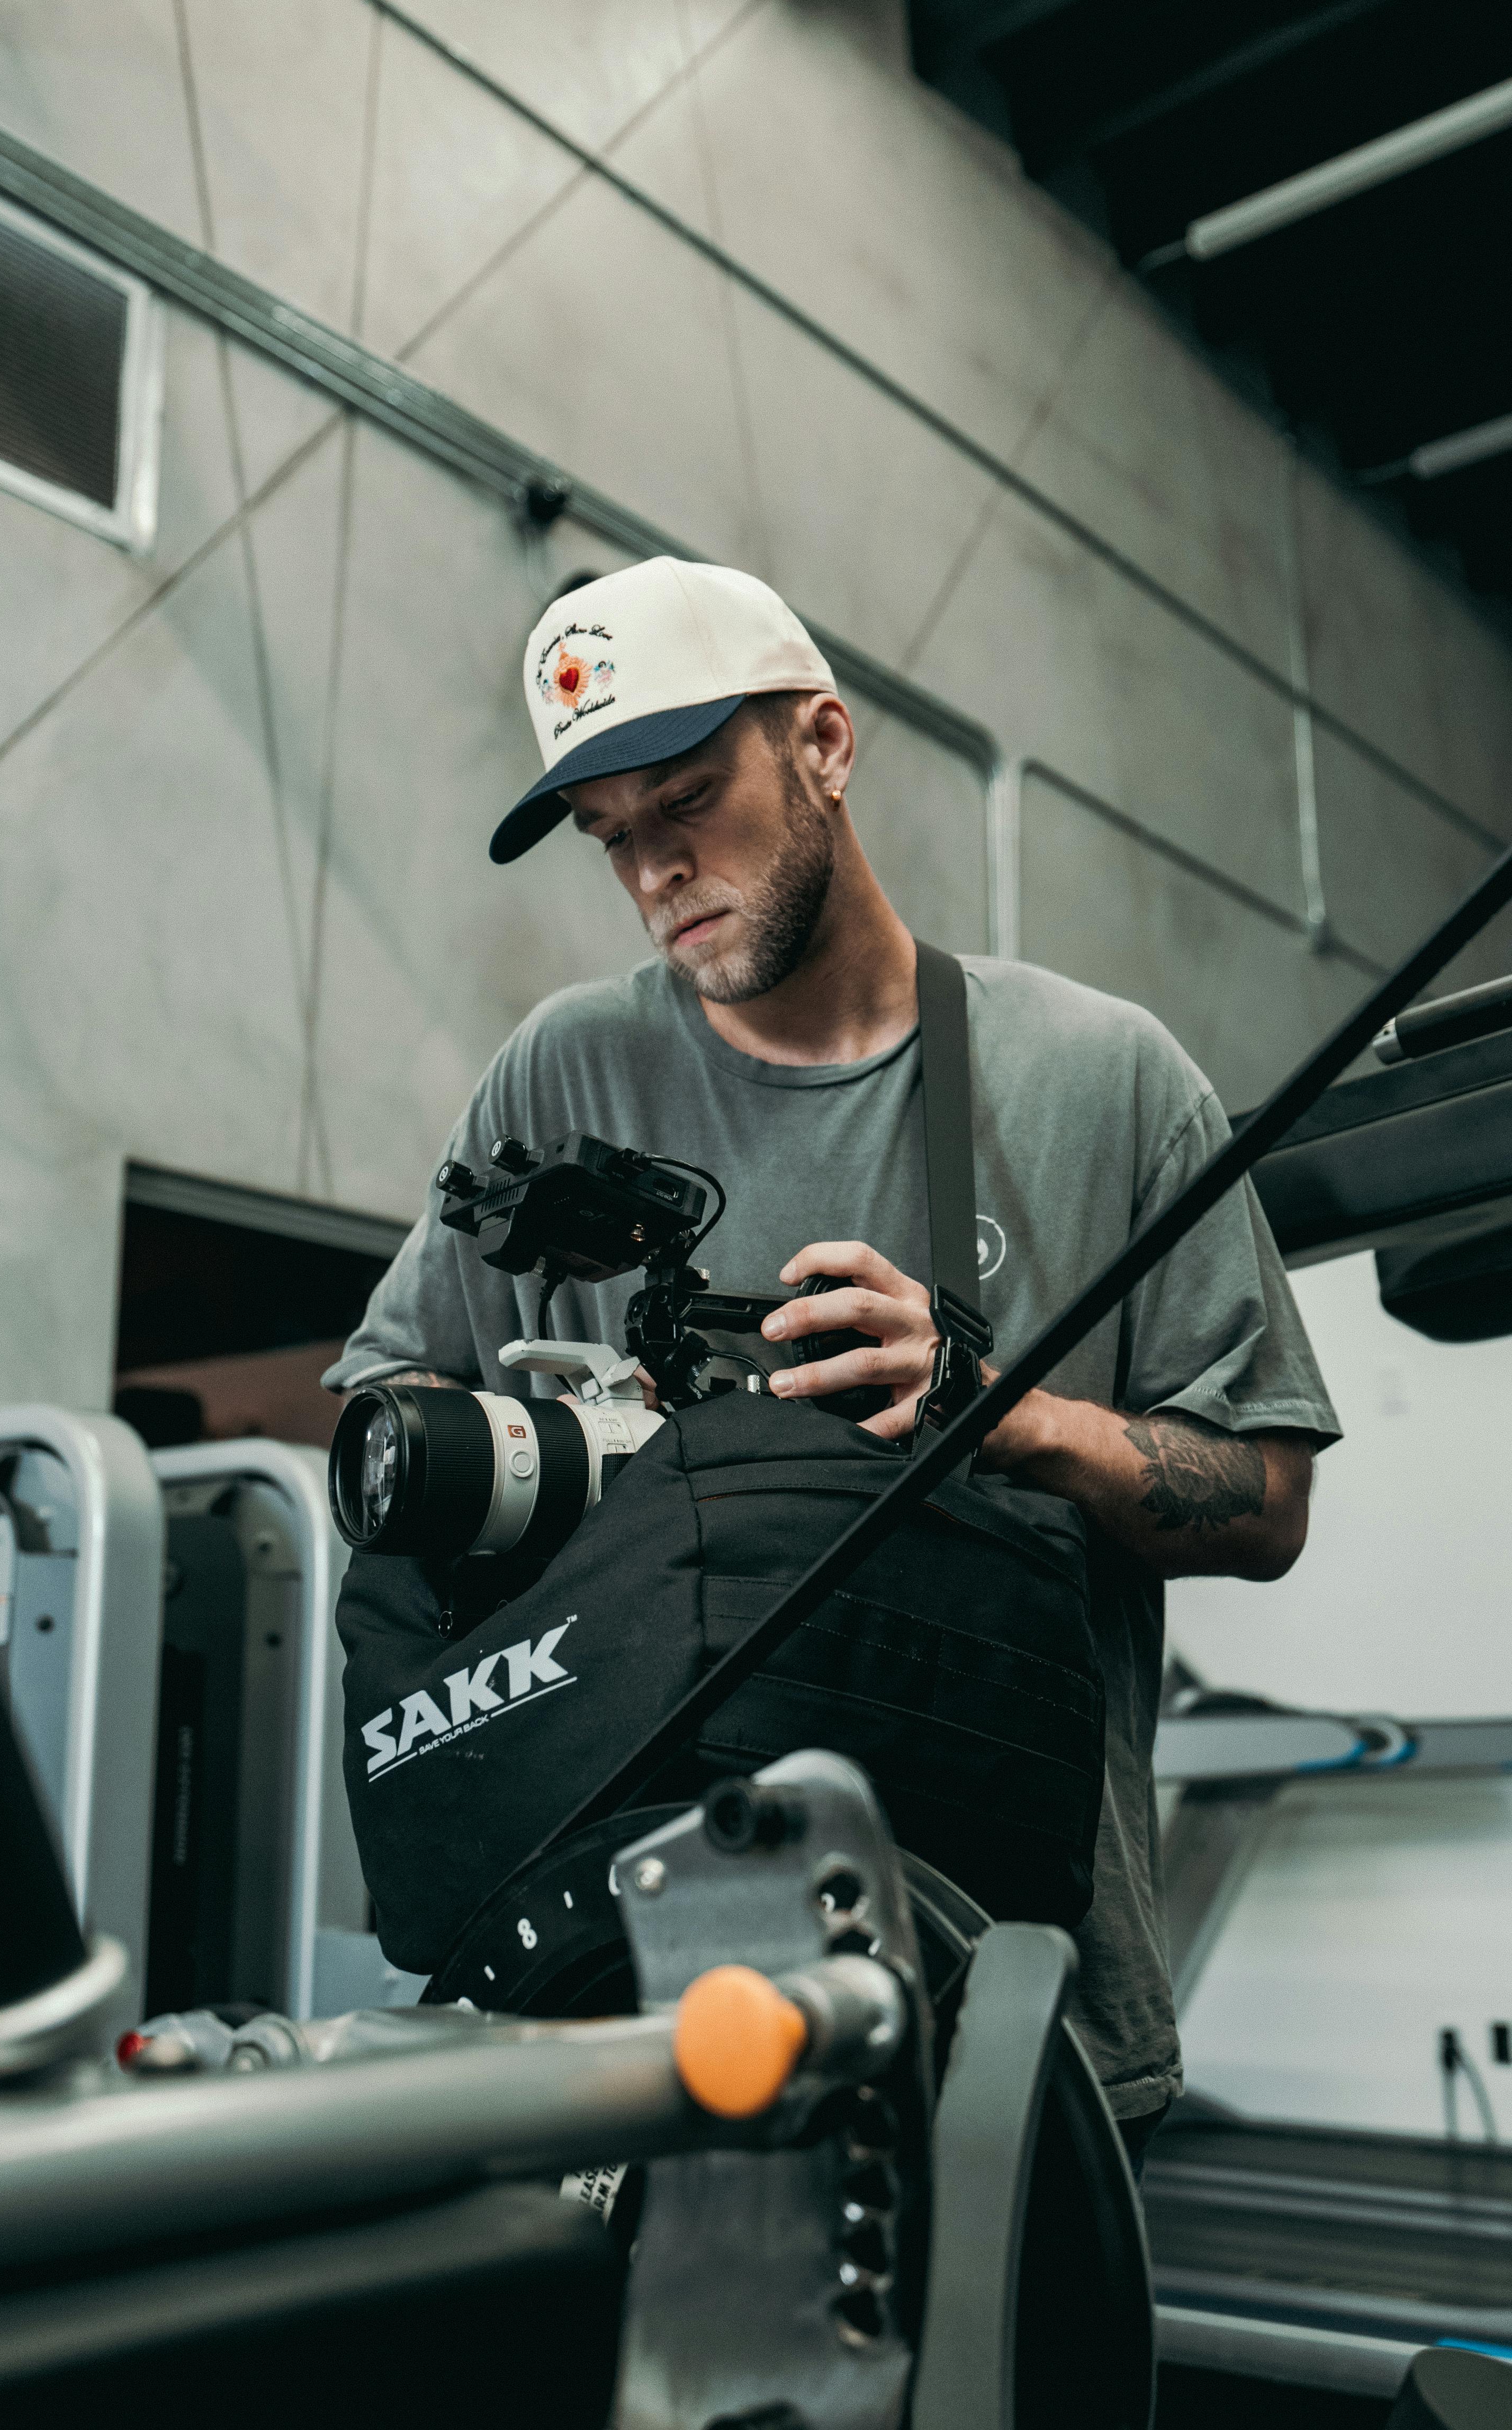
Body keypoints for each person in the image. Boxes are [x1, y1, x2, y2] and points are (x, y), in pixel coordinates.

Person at [323, 554, 1340, 2171]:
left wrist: (1007, 1420)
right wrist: (590, 1458)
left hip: (1010, 2014)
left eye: (688, 798)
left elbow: (1266, 1503)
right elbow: (393, 1457)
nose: (658, 869)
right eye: (614, 840)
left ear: (826, 745)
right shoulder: (562, 1077)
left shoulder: (1104, 1082)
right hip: (625, 2008)